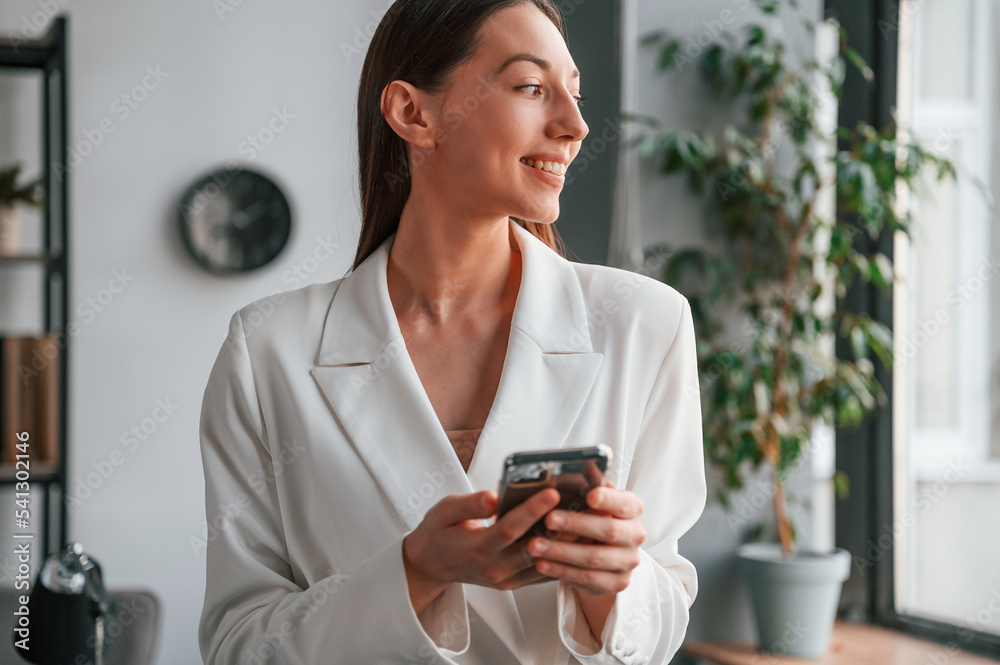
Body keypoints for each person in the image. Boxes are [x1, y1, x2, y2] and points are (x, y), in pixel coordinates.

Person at [197, 1, 707, 663]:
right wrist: (416, 571)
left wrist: (613, 585)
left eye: (575, 94)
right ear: (414, 113)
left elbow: (663, 613)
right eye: (532, 87)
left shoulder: (646, 324)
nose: (576, 126)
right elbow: (240, 646)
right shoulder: (268, 351)